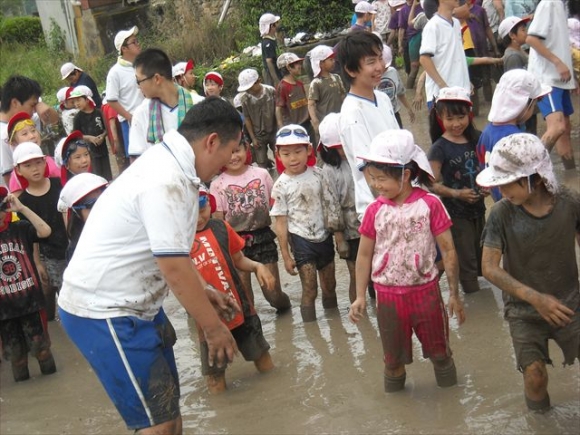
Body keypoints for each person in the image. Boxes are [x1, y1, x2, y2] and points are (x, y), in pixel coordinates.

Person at [57, 97, 242, 434]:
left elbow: (168, 254)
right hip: (104, 311)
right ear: (211, 141)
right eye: (230, 152)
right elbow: (171, 267)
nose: (229, 163)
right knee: (157, 427)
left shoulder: (173, 166)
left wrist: (205, 288)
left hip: (139, 305)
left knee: (169, 416)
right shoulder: (165, 179)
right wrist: (213, 328)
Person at [349, 129, 465, 393]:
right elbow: (364, 255)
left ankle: (451, 407)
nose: (376, 185)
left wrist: (454, 294)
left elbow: (448, 251)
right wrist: (359, 297)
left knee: (441, 355)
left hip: (426, 293)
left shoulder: (430, 205)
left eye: (381, 179)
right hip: (387, 297)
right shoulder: (374, 211)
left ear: (405, 175)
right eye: (372, 178)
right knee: (392, 362)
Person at [477, 132, 579, 412]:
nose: (501, 192)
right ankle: (541, 423)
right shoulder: (501, 214)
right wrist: (536, 298)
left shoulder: (569, 203)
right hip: (524, 310)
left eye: (507, 184)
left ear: (533, 177)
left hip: (570, 303)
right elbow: (489, 268)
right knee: (535, 376)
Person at [191, 187, 275, 394]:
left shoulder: (220, 227)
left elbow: (238, 259)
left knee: (261, 356)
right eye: (188, 212)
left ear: (210, 204)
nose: (198, 217)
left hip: (241, 309)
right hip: (209, 319)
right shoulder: (176, 240)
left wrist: (257, 266)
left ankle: (275, 393)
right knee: (215, 375)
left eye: (202, 209)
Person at [209, 140, 291, 311]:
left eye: (237, 150)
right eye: (228, 153)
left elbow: (276, 207)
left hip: (263, 237)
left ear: (246, 149)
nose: (233, 157)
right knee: (245, 299)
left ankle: (287, 310)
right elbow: (218, 222)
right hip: (235, 242)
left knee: (273, 294)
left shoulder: (262, 175)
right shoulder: (217, 185)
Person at [271, 125, 338, 323]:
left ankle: (335, 325)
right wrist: (285, 255)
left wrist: (339, 236)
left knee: (330, 286)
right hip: (301, 241)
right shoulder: (280, 186)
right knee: (310, 289)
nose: (293, 158)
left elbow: (330, 205)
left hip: (323, 236)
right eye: (286, 153)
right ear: (278, 155)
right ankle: (311, 329)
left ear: (308, 150)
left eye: (298, 152)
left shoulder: (319, 174)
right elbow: (280, 222)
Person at [427, 86, 486, 294]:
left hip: (479, 209)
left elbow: (489, 166)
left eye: (461, 117)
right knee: (467, 261)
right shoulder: (438, 148)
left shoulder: (477, 138)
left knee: (483, 258)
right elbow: (431, 184)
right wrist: (457, 194)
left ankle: (484, 304)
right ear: (440, 117)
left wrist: (487, 186)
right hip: (455, 214)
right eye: (449, 119)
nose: (456, 124)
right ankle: (474, 304)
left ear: (469, 115)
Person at [337, 31, 400, 215]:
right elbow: (368, 169)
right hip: (380, 207)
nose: (380, 66)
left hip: (400, 196)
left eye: (380, 58)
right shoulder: (352, 112)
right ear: (350, 69)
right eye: (371, 62)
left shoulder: (382, 97)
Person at [0, 188, 55, 382]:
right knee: (17, 359)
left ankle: (51, 385)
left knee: (42, 351)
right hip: (4, 312)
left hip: (31, 303)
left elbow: (45, 231)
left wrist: (21, 208)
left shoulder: (20, 228)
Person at [477, 69, 551, 201]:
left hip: (501, 200)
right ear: (522, 105)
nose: (534, 109)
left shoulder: (486, 132)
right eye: (533, 104)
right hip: (517, 201)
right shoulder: (516, 140)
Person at [13, 142, 68, 322]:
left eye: (38, 162)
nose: (34, 169)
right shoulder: (23, 202)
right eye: (28, 165)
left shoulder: (59, 184)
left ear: (45, 162)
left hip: (67, 247)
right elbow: (30, 237)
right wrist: (37, 263)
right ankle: (50, 325)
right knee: (47, 292)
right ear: (18, 170)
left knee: (68, 292)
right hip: (46, 254)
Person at [526, 0, 577, 170]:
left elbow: (560, 44)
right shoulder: (549, 3)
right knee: (557, 127)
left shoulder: (562, 5)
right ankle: (529, 170)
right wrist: (557, 62)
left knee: (565, 129)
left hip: (560, 78)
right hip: (547, 78)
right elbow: (532, 39)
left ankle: (570, 174)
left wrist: (572, 77)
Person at [317, 113, 362, 303]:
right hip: (350, 229)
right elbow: (331, 205)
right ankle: (360, 316)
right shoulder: (328, 170)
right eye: (338, 147)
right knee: (356, 274)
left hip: (370, 222)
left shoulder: (362, 159)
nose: (343, 150)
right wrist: (339, 238)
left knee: (377, 272)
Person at [129, 48, 195, 160]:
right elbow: (136, 159)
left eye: (139, 81)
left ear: (157, 79)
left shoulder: (197, 104)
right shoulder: (142, 114)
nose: (138, 86)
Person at [1, 75, 59, 186]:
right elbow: (8, 174)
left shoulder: (27, 120)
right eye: (32, 105)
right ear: (15, 103)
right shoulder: (3, 135)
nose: (34, 110)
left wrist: (44, 107)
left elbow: (54, 120)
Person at [419, 0, 471, 109]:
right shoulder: (432, 26)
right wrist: (444, 87)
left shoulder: (456, 23)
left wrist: (466, 80)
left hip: (461, 92)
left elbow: (456, 55)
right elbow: (424, 59)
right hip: (441, 95)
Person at [105, 26, 144, 159]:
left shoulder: (141, 65)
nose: (138, 44)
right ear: (124, 48)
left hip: (148, 117)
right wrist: (129, 117)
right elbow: (111, 100)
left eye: (137, 41)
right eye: (134, 42)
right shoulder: (115, 72)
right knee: (137, 159)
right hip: (130, 122)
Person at [57, 172, 108, 263]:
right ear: (76, 212)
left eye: (105, 200)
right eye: (91, 205)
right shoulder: (78, 252)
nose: (101, 209)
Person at [498, 15, 537, 133]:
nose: (526, 32)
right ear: (512, 35)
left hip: (528, 106)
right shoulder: (513, 56)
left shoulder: (519, 51)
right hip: (522, 109)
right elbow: (515, 88)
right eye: (523, 30)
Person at [6, 112, 60, 194]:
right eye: (25, 134)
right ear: (14, 143)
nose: (32, 136)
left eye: (33, 130)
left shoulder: (51, 160)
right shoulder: (16, 176)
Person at [237, 68, 277, 170]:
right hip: (258, 134)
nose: (249, 90)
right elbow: (247, 118)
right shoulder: (245, 99)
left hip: (273, 130)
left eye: (250, 87)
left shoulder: (270, 91)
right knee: (261, 160)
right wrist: (253, 138)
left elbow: (278, 110)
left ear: (258, 81)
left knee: (279, 153)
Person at [70, 86, 112, 181]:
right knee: (96, 175)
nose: (76, 104)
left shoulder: (99, 113)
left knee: (107, 174)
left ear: (87, 99)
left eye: (78, 100)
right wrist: (89, 138)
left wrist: (102, 136)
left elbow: (106, 129)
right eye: (74, 102)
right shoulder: (78, 118)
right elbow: (76, 135)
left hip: (103, 149)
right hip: (89, 152)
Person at [307, 45, 346, 137]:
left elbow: (343, 96)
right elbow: (311, 104)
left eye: (333, 59)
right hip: (325, 123)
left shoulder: (337, 78)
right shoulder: (316, 83)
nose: (334, 62)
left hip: (340, 119)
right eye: (330, 60)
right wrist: (316, 122)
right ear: (320, 63)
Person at [377, 44, 415, 128]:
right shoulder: (371, 77)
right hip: (379, 117)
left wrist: (409, 108)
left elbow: (400, 92)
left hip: (394, 113)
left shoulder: (393, 72)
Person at [275, 53, 312, 136]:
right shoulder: (282, 86)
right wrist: (281, 128)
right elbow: (278, 109)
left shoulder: (299, 84)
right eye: (297, 64)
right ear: (288, 67)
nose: (300, 66)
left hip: (307, 124)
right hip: (293, 127)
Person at [259, 13, 282, 87]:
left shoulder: (271, 40)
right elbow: (269, 61)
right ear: (272, 26)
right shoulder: (267, 43)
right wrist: (276, 80)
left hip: (276, 71)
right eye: (276, 23)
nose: (277, 25)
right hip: (271, 73)